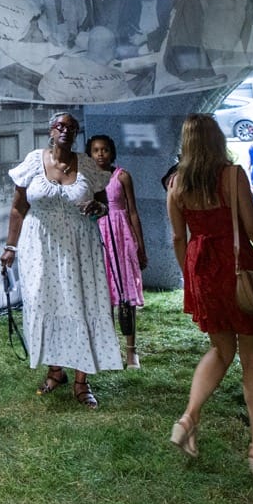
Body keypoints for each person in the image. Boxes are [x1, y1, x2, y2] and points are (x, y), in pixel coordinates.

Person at [166, 113, 253, 474]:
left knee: (220, 349)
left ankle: (188, 419)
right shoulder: (232, 175)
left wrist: (190, 278)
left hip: (201, 269)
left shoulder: (176, 184)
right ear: (216, 139)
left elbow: (179, 238)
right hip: (238, 266)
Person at [1, 112, 121, 406]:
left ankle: (82, 381)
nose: (65, 130)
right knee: (44, 301)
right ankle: (56, 372)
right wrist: (10, 247)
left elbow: (104, 205)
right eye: (60, 126)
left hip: (80, 248)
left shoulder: (88, 165)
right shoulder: (33, 161)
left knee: (82, 304)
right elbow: (18, 208)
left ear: (77, 133)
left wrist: (98, 207)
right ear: (50, 131)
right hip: (39, 246)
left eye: (71, 127)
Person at [88, 133, 148, 368]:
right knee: (104, 295)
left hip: (121, 236)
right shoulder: (88, 179)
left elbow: (133, 211)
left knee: (126, 293)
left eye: (104, 149)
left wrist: (140, 244)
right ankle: (109, 348)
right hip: (99, 234)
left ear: (112, 152)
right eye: (95, 150)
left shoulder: (122, 176)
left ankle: (131, 351)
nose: (100, 154)